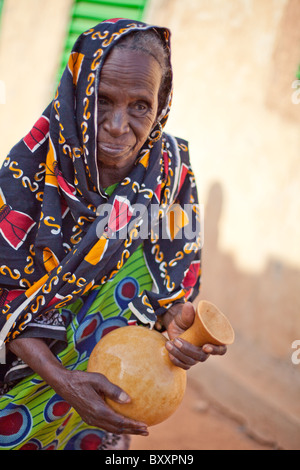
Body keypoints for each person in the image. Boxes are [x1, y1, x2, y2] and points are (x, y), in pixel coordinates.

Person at [0, 19, 226, 450]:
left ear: (161, 105)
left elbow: (171, 289)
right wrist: (62, 380)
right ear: (76, 94)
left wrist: (179, 332)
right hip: (21, 393)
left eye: (140, 105)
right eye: (102, 100)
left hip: (111, 401)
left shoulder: (172, 172)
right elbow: (4, 297)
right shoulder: (28, 168)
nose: (119, 125)